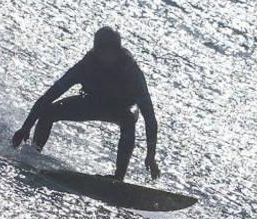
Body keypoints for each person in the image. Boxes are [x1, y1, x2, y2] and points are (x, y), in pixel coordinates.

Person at [11, 26, 161, 181]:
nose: (106, 56)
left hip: (120, 108)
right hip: (91, 102)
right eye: (101, 50)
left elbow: (150, 117)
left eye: (111, 51)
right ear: (96, 49)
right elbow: (48, 96)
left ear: (117, 50)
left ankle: (118, 178)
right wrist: (26, 127)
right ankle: (34, 155)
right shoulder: (86, 66)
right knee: (49, 111)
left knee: (129, 119)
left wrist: (151, 155)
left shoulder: (132, 72)